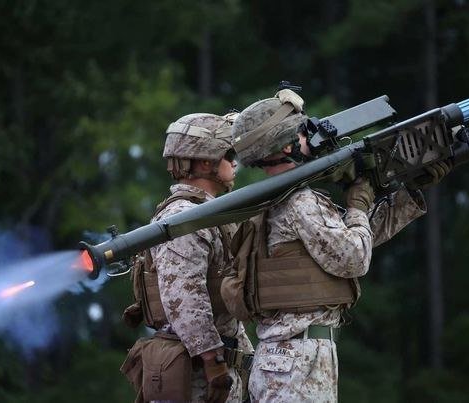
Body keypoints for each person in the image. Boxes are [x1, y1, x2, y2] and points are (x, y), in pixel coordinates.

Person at [229, 89, 449, 402]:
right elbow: (354, 256)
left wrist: (407, 196)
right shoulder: (301, 202)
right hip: (298, 362)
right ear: (287, 146)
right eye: (302, 133)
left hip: (291, 359)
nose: (310, 138)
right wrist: (358, 204)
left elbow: (351, 240)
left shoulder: (279, 198)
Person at [120, 112, 254, 403]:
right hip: (197, 372)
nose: (234, 163)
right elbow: (184, 297)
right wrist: (213, 361)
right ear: (205, 162)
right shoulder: (185, 218)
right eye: (228, 154)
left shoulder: (205, 212)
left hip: (211, 362)